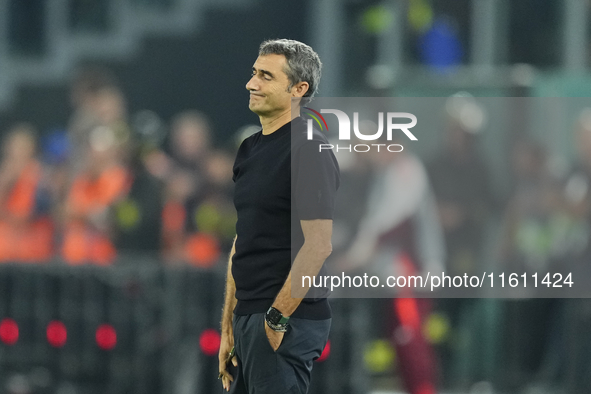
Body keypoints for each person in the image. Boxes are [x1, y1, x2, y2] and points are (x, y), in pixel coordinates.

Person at [218, 39, 340, 393]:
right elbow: (244, 240)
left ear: (298, 89)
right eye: (254, 73)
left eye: (266, 76)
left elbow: (318, 246)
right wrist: (228, 326)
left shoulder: (309, 148)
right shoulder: (249, 149)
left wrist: (276, 317)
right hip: (249, 317)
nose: (251, 83)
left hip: (285, 317)